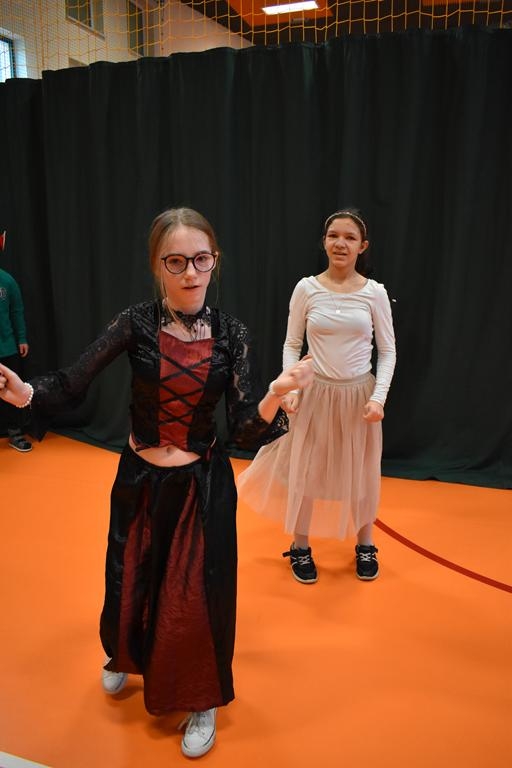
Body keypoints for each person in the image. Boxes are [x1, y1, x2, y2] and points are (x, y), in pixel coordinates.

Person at [0, 207, 313, 758]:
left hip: (202, 488)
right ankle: (126, 654)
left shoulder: (232, 334)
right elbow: (75, 380)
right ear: (157, 266)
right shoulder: (135, 323)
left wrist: (275, 394)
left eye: (200, 259)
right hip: (139, 480)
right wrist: (25, 393)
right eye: (176, 261)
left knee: (194, 595)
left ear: (215, 262)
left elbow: (244, 429)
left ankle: (201, 699)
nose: (190, 272)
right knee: (130, 577)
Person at [237, 208, 396, 584]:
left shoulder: (374, 293)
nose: (341, 243)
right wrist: (291, 388)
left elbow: (387, 351)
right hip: (313, 395)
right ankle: (300, 546)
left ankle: (365, 544)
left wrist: (378, 398)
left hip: (358, 398)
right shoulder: (306, 288)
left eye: (350, 237)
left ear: (362, 246)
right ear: (324, 242)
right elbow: (292, 344)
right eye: (333, 235)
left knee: (361, 473)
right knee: (305, 472)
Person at [0, 265, 32, 452]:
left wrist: (21, 338)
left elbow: (16, 311)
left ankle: (15, 432)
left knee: (11, 393)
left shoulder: (7, 280)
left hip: (6, 347)